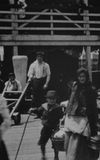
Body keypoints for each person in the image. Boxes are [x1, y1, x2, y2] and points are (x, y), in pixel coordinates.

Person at [64, 67, 99, 160]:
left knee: (80, 142)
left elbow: (93, 107)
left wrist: (94, 123)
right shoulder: (75, 87)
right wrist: (67, 113)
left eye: (83, 76)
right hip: (73, 117)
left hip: (84, 118)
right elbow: (71, 101)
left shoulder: (90, 89)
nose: (81, 78)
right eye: (79, 76)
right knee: (70, 141)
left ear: (86, 77)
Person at [32, 90, 63, 160]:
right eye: (50, 99)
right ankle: (43, 156)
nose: (52, 100)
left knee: (55, 144)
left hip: (54, 128)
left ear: (56, 99)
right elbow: (38, 110)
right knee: (42, 143)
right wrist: (33, 110)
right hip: (46, 128)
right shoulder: (44, 106)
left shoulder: (58, 107)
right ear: (47, 99)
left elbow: (61, 116)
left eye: (53, 99)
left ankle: (56, 156)